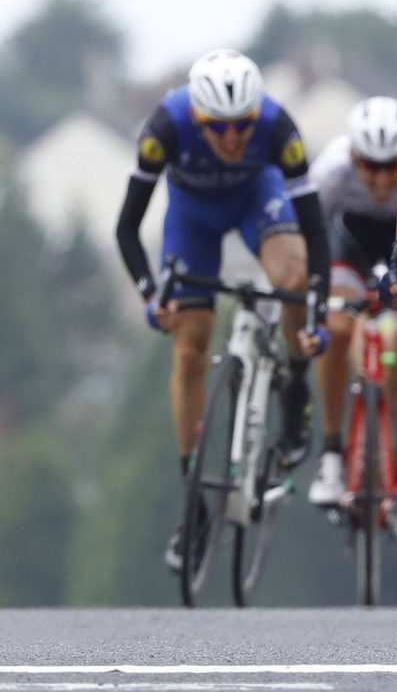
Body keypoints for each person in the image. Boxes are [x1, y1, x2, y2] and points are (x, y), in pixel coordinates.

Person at [115, 48, 331, 571]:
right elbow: (126, 227)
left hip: (260, 200)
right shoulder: (164, 126)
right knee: (189, 349)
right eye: (219, 128)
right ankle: (193, 502)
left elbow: (316, 231)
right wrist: (150, 294)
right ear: (197, 117)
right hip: (192, 218)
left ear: (256, 115)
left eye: (243, 127)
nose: (233, 139)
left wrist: (316, 314)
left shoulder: (279, 128)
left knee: (293, 279)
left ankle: (296, 383)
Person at [305, 96, 397, 542]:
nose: (379, 178)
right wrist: (316, 304)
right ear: (353, 156)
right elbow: (312, 244)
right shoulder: (330, 174)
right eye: (370, 166)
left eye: (389, 166)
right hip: (349, 253)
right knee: (336, 331)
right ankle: (333, 454)